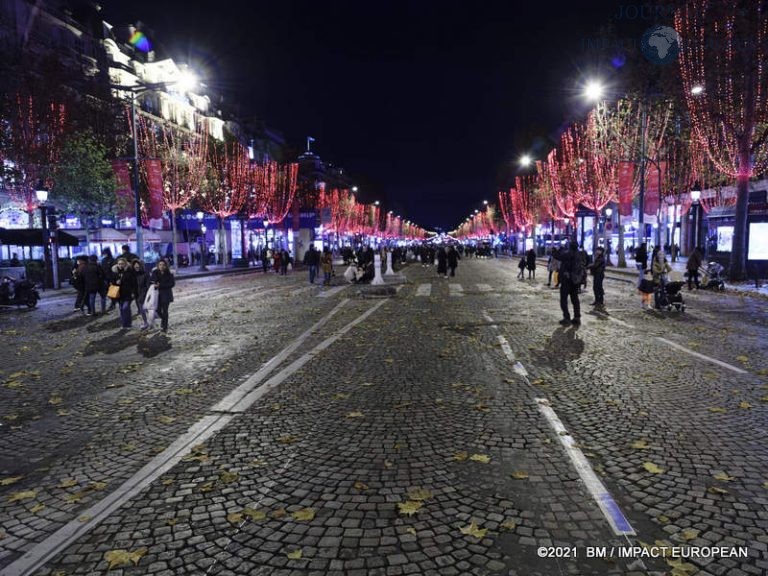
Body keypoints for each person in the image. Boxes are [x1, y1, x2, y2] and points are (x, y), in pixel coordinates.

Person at [555, 241, 582, 326]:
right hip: (575, 280)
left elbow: (557, 256)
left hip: (566, 280)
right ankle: (577, 317)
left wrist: (557, 249)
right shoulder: (579, 254)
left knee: (563, 299)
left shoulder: (568, 254)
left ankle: (567, 318)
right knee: (575, 299)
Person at [149, 258, 175, 332]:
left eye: (163, 265)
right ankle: (164, 320)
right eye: (160, 265)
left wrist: (160, 285)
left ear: (166, 266)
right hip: (157, 295)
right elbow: (150, 281)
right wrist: (154, 285)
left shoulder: (169, 274)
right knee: (157, 310)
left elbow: (172, 284)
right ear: (158, 265)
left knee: (165, 310)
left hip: (166, 295)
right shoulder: (155, 272)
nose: (161, 266)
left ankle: (165, 326)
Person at [111, 257, 137, 329]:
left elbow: (133, 283)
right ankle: (124, 324)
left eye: (122, 264)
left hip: (128, 293)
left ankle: (128, 324)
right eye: (119, 264)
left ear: (125, 264)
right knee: (121, 309)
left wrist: (133, 292)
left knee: (125, 308)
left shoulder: (129, 272)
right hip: (119, 294)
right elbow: (112, 283)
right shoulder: (115, 272)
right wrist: (116, 283)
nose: (120, 265)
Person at [132, 259, 151, 329]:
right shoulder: (133, 274)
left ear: (141, 266)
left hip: (143, 293)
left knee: (143, 309)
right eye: (135, 266)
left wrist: (147, 293)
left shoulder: (145, 273)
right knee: (142, 309)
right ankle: (147, 322)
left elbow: (148, 284)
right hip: (137, 294)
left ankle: (147, 322)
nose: (136, 267)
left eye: (138, 266)